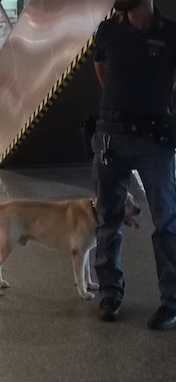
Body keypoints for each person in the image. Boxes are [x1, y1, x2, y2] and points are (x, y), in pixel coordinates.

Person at [92, 0, 176, 330]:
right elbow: (101, 67)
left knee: (165, 218)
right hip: (112, 138)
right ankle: (110, 292)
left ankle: (170, 301)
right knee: (108, 218)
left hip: (154, 140)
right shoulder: (108, 30)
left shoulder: (170, 32)